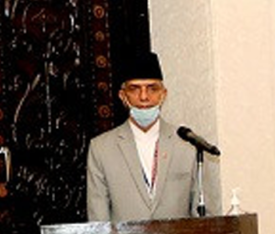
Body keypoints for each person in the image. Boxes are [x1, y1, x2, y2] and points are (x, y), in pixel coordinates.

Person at [86, 51, 221, 221]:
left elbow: (206, 219)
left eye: (152, 88)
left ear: (163, 94)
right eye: (135, 89)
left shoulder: (188, 144)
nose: (144, 97)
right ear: (123, 96)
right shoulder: (102, 148)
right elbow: (98, 221)